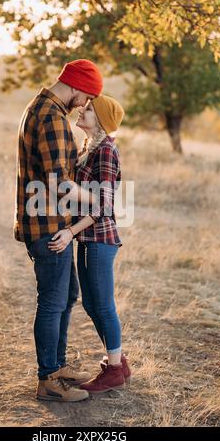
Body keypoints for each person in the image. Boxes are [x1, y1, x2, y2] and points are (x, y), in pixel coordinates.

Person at [14, 59, 103, 402]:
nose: (84, 105)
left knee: (66, 297)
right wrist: (96, 197)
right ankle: (48, 379)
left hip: (52, 222)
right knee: (52, 302)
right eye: (86, 98)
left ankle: (58, 366)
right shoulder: (51, 117)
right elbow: (58, 184)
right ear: (77, 87)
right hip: (48, 226)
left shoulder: (41, 107)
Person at [48, 94, 131, 394]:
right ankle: (118, 362)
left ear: (103, 121)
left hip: (99, 239)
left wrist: (70, 232)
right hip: (88, 239)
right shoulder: (89, 148)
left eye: (90, 109)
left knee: (103, 305)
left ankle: (113, 370)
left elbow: (103, 205)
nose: (81, 110)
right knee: (92, 303)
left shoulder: (106, 149)